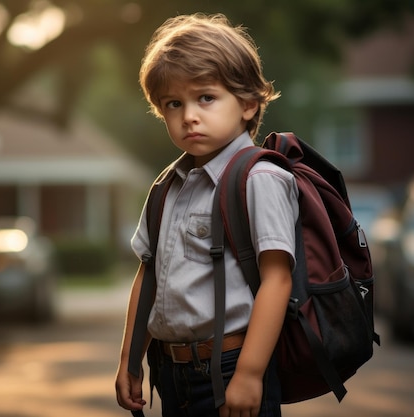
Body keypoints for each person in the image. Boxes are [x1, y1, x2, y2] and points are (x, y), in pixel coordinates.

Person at [115, 13, 299, 417]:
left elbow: (277, 279)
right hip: (171, 372)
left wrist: (250, 374)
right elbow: (148, 274)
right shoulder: (167, 186)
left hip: (232, 367)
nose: (189, 116)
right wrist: (130, 360)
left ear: (249, 104)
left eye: (206, 98)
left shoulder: (260, 178)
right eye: (173, 104)